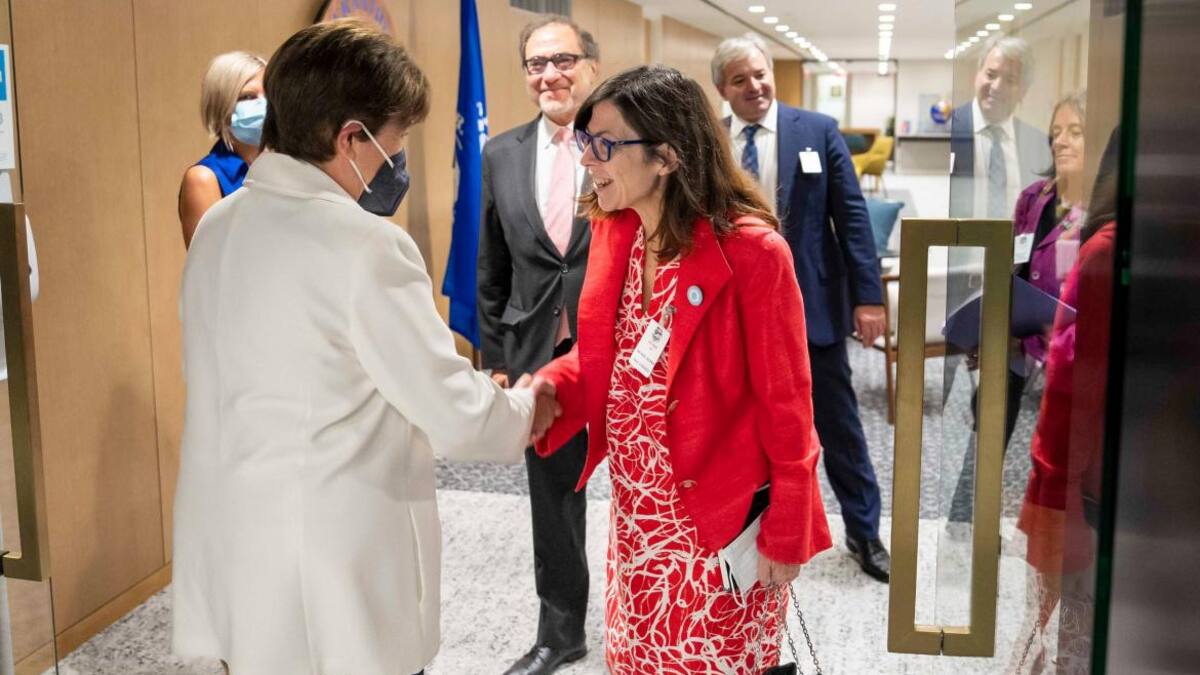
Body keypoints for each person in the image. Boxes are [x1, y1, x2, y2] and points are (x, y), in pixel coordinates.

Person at [171, 20, 556, 675]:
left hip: (238, 549)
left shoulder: (217, 231)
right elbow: (458, 416)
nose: (395, 161)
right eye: (395, 140)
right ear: (352, 136)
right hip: (335, 571)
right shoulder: (365, 245)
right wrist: (526, 408)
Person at [531, 64, 832, 673]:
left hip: (715, 523)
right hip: (638, 517)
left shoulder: (751, 252)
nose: (589, 159)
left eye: (606, 145)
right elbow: (603, 354)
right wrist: (547, 386)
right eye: (586, 142)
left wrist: (788, 524)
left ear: (666, 156)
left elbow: (789, 400)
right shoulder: (619, 233)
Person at [712, 34, 891, 582]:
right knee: (741, 427)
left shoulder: (816, 131)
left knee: (837, 423)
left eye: (760, 74)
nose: (755, 86)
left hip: (812, 307)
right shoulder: (709, 140)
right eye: (740, 79)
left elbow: (852, 218)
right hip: (732, 312)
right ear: (723, 89)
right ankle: (744, 532)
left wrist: (868, 297)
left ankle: (863, 531)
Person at [476, 15, 600, 675]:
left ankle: (665, 619)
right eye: (534, 64)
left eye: (561, 60)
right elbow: (491, 262)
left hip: (619, 352)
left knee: (651, 492)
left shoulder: (626, 143)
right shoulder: (500, 153)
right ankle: (561, 632)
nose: (548, 74)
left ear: (591, 66)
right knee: (552, 503)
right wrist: (496, 356)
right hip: (536, 357)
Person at [1009, 128, 1119, 674]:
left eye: (1078, 130)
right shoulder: (1043, 202)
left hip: (1107, 480)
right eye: (1056, 132)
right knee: (1070, 628)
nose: (1063, 142)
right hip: (1088, 480)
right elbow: (1073, 387)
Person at [950, 36, 1053, 219]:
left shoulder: (1038, 145)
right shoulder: (949, 130)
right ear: (978, 75)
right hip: (960, 245)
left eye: (1010, 80)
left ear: (1024, 90)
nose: (997, 87)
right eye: (990, 75)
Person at [178, 51, 266, 248]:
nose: (264, 104)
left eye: (270, 93)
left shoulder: (282, 168)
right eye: (248, 97)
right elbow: (208, 267)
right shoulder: (204, 179)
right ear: (222, 105)